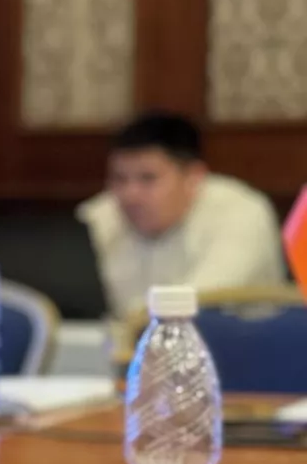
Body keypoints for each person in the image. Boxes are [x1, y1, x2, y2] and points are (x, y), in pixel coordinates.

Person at [78, 110, 285, 317]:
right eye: (119, 179)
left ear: (193, 177)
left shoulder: (242, 213)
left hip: (233, 337)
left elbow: (198, 301)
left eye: (148, 178)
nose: (130, 195)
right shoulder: (101, 215)